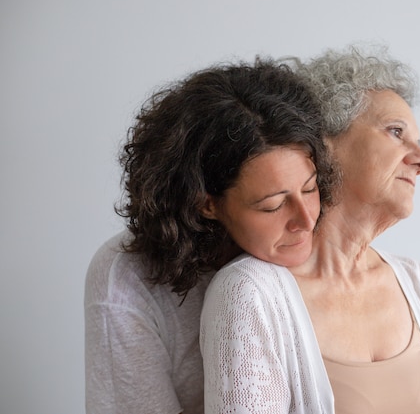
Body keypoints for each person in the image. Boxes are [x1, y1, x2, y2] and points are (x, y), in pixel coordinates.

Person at [200, 45, 420, 413]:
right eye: (395, 131)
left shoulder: (419, 284)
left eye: (418, 143)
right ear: (325, 142)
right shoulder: (251, 292)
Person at [84, 59, 336, 414]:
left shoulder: (332, 244)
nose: (306, 220)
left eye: (309, 189)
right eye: (272, 206)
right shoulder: (126, 280)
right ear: (207, 204)